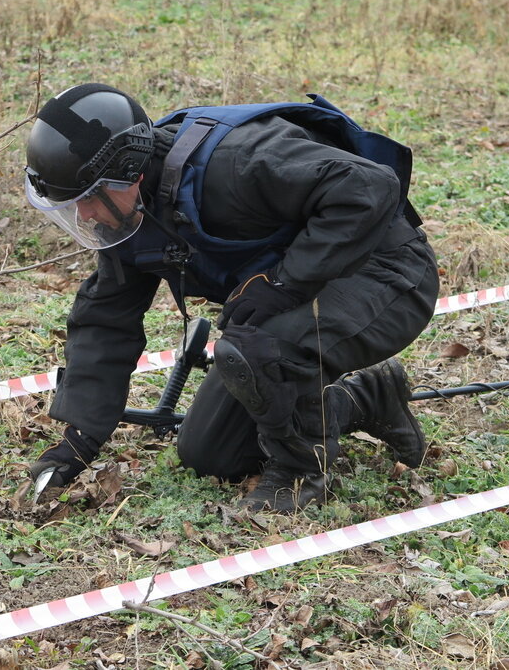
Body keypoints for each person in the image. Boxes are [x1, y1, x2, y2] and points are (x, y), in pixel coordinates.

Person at [22, 83, 439, 512]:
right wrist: (79, 440)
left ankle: (299, 474)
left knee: (254, 350)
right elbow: (106, 319)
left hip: (388, 273)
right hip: (296, 297)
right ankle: (367, 398)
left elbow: (371, 188)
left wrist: (283, 282)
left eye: (90, 198)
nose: (87, 215)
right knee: (210, 455)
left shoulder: (237, 161)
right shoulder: (129, 211)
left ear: (131, 169)